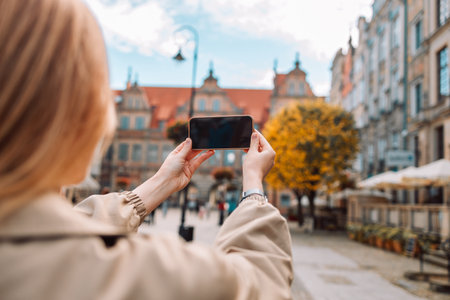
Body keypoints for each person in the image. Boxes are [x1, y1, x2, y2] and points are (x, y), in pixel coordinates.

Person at [0, 0, 293, 299]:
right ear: (80, 121)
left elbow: (78, 220)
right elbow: (263, 282)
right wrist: (254, 187)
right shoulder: (140, 272)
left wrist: (160, 183)